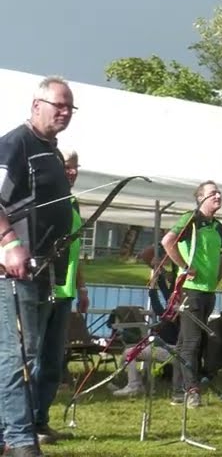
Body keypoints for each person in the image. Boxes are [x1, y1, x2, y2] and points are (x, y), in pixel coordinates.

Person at [0, 76, 78, 457]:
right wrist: (9, 243)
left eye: (69, 108)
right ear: (36, 105)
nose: (64, 112)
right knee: (18, 353)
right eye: (58, 106)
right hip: (12, 272)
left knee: (34, 355)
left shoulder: (53, 151)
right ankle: (18, 438)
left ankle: (11, 432)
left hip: (45, 271)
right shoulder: (15, 143)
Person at [30, 147, 89, 444]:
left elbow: (74, 251)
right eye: (67, 166)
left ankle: (40, 421)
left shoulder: (74, 203)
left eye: (76, 167)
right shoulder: (43, 201)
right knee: (29, 359)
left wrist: (81, 288)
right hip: (41, 288)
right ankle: (17, 424)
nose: (72, 171)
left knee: (52, 361)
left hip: (64, 293)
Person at [163, 180, 222, 407]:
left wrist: (220, 271)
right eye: (213, 193)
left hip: (208, 291)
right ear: (200, 198)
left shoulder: (217, 225)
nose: (218, 196)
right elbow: (168, 241)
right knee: (192, 342)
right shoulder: (190, 219)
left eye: (219, 193)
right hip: (189, 291)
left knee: (187, 342)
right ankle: (192, 390)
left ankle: (177, 391)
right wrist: (184, 266)